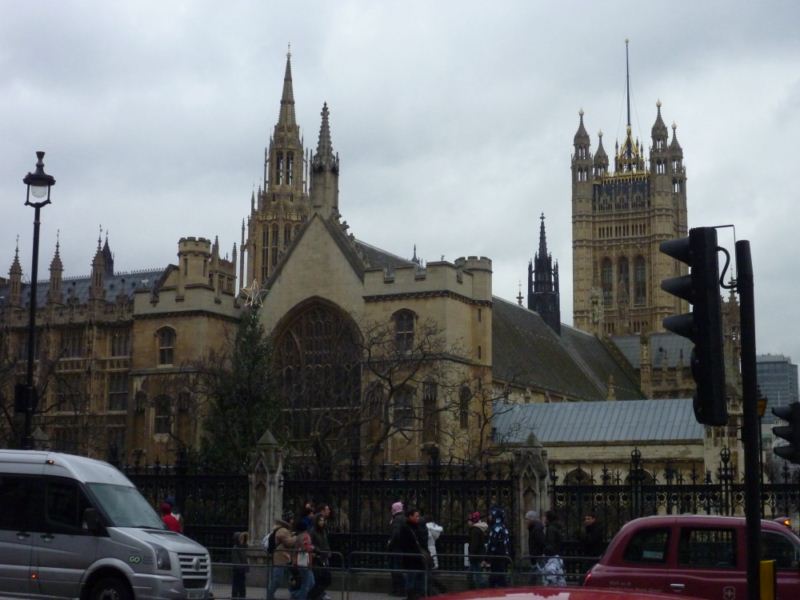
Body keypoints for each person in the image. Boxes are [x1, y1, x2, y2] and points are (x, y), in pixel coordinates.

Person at [389, 506, 427, 600]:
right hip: (412, 557)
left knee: (418, 578)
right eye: (416, 516)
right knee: (412, 577)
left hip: (418, 557)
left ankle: (418, 594)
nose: (418, 518)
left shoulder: (418, 526)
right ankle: (411, 595)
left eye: (419, 516)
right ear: (410, 516)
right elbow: (405, 542)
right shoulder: (406, 528)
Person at [267, 510, 298, 600]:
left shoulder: (283, 529)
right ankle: (269, 595)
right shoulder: (282, 530)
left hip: (285, 558)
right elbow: (289, 542)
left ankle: (294, 595)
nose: (293, 521)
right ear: (288, 520)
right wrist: (296, 537)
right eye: (292, 519)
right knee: (277, 579)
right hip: (280, 559)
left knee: (290, 578)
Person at [485, 506, 511, 588]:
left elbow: (492, 544)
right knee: (500, 576)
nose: (489, 517)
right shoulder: (503, 527)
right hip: (503, 556)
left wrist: (487, 558)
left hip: (497, 557)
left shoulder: (495, 528)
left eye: (490, 515)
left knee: (496, 577)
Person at [309, 512, 332, 600]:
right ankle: (315, 595)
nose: (322, 522)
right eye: (320, 520)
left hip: (324, 556)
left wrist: (328, 551)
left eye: (323, 520)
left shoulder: (323, 531)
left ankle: (318, 594)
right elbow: (311, 544)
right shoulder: (313, 531)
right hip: (317, 558)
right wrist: (317, 550)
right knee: (319, 578)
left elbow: (325, 543)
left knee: (327, 578)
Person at [291, 517, 316, 600]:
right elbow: (306, 547)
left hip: (301, 561)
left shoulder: (299, 536)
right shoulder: (306, 536)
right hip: (305, 561)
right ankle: (299, 597)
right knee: (307, 583)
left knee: (311, 583)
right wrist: (312, 548)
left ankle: (297, 596)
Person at [541, 510, 566, 586]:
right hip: (557, 556)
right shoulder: (556, 527)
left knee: (551, 577)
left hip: (552, 557)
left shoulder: (551, 529)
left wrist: (544, 551)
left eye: (545, 517)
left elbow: (551, 544)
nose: (543, 519)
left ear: (548, 518)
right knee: (558, 576)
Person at [387, 501, 406, 596]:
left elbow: (396, 533)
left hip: (396, 548)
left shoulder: (397, 519)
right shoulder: (402, 518)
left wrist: (390, 542)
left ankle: (399, 590)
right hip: (401, 547)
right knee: (397, 568)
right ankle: (399, 589)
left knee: (396, 569)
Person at [424, 515, 447, 594]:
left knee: (428, 573)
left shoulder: (426, 529)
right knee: (432, 572)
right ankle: (439, 588)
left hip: (427, 550)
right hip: (433, 549)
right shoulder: (435, 529)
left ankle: (435, 590)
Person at [467, 511, 488, 589]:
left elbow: (474, 545)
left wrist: (471, 554)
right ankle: (474, 589)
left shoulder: (475, 530)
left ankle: (482, 590)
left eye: (469, 520)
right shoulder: (478, 529)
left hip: (475, 557)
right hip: (477, 556)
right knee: (473, 575)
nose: (468, 522)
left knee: (477, 576)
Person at [525, 510, 545, 583]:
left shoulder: (536, 530)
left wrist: (538, 554)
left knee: (534, 579)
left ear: (531, 519)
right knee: (534, 578)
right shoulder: (534, 529)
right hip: (535, 558)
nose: (526, 521)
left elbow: (541, 543)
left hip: (537, 558)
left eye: (527, 519)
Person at [231, 531, 249, 600]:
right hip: (237, 571)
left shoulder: (242, 547)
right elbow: (236, 561)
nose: (242, 540)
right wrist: (242, 567)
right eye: (240, 539)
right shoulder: (235, 548)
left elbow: (246, 542)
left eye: (242, 539)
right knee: (236, 587)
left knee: (242, 587)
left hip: (242, 570)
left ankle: (242, 597)